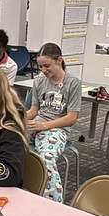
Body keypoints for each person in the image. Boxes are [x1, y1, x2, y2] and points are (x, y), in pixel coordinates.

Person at [25, 43, 81, 203]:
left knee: (45, 160)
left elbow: (72, 117)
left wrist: (43, 126)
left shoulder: (73, 83)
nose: (43, 70)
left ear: (59, 61)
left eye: (47, 66)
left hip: (56, 129)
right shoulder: (39, 82)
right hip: (36, 125)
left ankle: (53, 203)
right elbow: (34, 111)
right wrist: (18, 119)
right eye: (40, 66)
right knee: (6, 142)